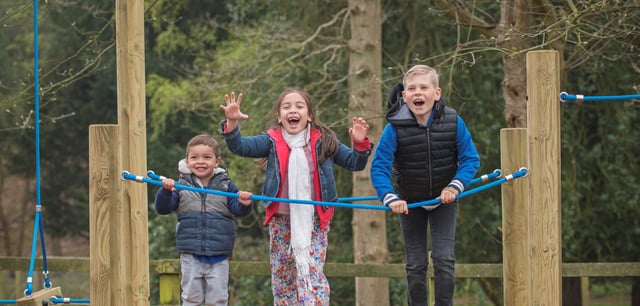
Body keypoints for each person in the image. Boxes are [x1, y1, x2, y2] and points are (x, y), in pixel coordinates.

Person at [219, 88, 372, 305]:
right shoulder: (271, 140)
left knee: (311, 273)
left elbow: (355, 163)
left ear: (309, 115)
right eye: (287, 107)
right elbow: (240, 147)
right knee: (283, 277)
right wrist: (232, 124)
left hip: (315, 221)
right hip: (281, 221)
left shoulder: (325, 140)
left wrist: (359, 144)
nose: (293, 110)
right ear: (280, 117)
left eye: (299, 106)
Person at [370, 65, 480, 306]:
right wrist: (390, 197)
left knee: (444, 260)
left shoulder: (453, 120)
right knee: (416, 264)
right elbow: (379, 167)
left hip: (444, 201)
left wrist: (455, 187)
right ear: (404, 96)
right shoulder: (394, 128)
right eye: (412, 88)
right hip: (410, 202)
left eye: (423, 87)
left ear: (437, 93)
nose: (417, 93)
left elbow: (470, 159)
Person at [154, 133, 254, 306]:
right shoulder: (181, 185)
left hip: (219, 253)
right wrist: (165, 191)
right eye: (194, 157)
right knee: (191, 298)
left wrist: (244, 203)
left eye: (207, 157)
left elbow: (238, 211)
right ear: (186, 161)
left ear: (217, 161)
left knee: (218, 298)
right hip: (190, 253)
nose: (200, 161)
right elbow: (163, 208)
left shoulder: (226, 185)